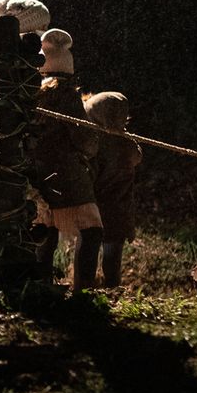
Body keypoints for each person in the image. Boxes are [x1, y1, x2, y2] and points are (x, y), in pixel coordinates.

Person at [28, 28, 103, 292]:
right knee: (91, 228)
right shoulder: (65, 95)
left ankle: (41, 285)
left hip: (36, 171)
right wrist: (92, 147)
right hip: (65, 173)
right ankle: (82, 289)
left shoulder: (31, 93)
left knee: (46, 230)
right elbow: (84, 138)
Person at [81, 91, 140, 288]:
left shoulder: (94, 146)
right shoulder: (128, 144)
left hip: (96, 211)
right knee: (112, 257)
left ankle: (84, 289)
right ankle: (113, 290)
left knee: (87, 251)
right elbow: (137, 156)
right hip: (120, 212)